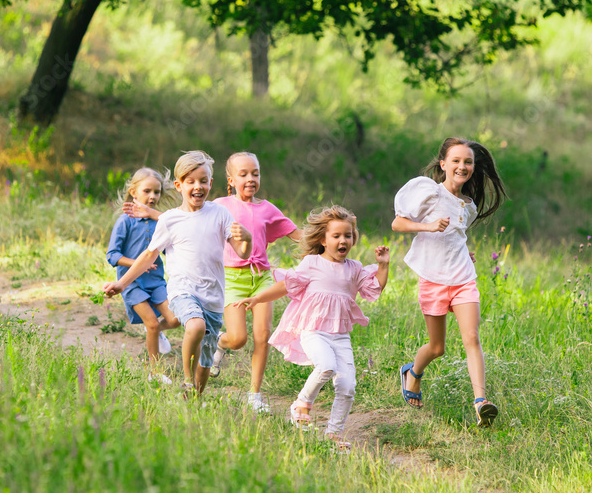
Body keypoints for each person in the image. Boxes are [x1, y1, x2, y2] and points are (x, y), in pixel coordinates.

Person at [236, 205, 389, 450]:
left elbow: (375, 289)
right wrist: (257, 299)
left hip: (340, 336)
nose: (343, 241)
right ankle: (301, 404)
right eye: (336, 236)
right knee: (326, 366)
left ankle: (334, 434)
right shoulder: (312, 264)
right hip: (312, 330)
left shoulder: (355, 268)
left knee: (348, 386)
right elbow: (286, 286)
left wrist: (383, 266)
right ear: (323, 239)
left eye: (348, 236)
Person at [104, 151, 252, 396]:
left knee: (205, 361)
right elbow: (148, 255)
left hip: (214, 297)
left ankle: (192, 400)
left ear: (211, 183)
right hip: (183, 291)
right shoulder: (170, 219)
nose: (198, 186)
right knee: (195, 325)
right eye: (190, 181)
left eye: (203, 181)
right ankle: (186, 378)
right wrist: (121, 283)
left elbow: (242, 253)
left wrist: (247, 238)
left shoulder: (220, 214)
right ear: (179, 185)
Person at [392, 136, 507, 427]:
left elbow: (457, 233)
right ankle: (413, 373)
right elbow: (398, 223)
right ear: (443, 164)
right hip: (433, 278)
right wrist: (427, 226)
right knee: (437, 347)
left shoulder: (468, 205)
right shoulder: (428, 193)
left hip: (463, 278)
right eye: (455, 160)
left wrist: (463, 251)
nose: (462, 166)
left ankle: (481, 403)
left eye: (467, 161)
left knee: (472, 338)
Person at [209, 152, 302, 413]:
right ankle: (221, 342)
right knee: (238, 339)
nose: (251, 179)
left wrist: (329, 235)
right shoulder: (220, 206)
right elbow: (193, 220)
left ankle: (254, 394)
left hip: (261, 277)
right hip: (232, 278)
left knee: (262, 336)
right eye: (244, 174)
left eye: (255, 173)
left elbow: (298, 235)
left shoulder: (267, 208)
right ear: (231, 180)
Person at [105, 168, 180, 383]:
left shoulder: (160, 222)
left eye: (157, 192)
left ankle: (156, 332)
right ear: (133, 192)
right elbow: (112, 255)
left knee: (174, 320)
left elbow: (169, 250)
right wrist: (137, 264)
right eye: (147, 191)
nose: (153, 196)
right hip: (132, 283)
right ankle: (154, 373)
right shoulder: (125, 221)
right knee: (153, 324)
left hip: (156, 282)